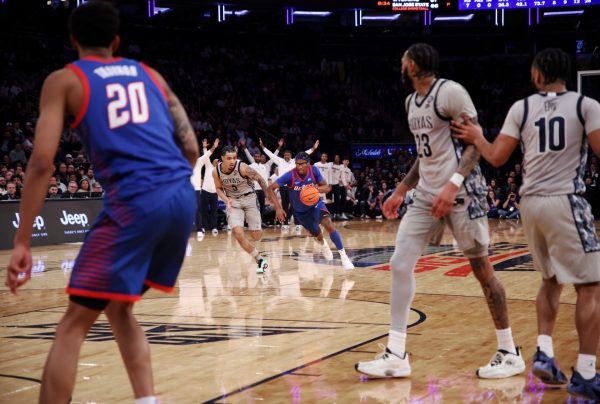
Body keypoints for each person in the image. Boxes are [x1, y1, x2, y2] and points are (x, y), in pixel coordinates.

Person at [4, 3, 199, 403]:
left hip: (136, 201)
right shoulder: (151, 75)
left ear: (73, 39)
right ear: (116, 42)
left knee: (72, 324)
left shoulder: (65, 80)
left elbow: (41, 162)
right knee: (118, 309)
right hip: (181, 196)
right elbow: (191, 147)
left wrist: (22, 242)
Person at [355, 43, 524, 379]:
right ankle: (396, 354)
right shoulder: (410, 102)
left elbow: (475, 143)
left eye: (403, 60)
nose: (400, 65)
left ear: (413, 65)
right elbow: (425, 154)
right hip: (426, 196)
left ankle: (509, 352)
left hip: (463, 194)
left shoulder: (450, 93)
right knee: (400, 262)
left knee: (482, 272)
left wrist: (453, 183)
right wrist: (401, 190)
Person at [452, 48, 600, 401]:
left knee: (550, 280)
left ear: (537, 75)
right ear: (567, 74)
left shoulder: (522, 107)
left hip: (529, 204)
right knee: (590, 287)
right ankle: (586, 372)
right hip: (566, 200)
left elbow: (497, 157)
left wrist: (476, 137)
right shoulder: (586, 106)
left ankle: (545, 351)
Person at [269, 152, 354, 269]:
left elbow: (326, 187)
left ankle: (344, 257)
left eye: (302, 164)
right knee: (317, 234)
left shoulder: (313, 170)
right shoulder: (290, 175)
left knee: (329, 224)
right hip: (301, 213)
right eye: (297, 164)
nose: (299, 167)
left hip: (316, 205)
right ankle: (324, 244)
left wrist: (315, 189)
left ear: (308, 164)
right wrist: (278, 207)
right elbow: (270, 188)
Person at [213, 146, 285, 274]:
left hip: (250, 199)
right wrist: (226, 199)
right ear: (222, 158)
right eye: (228, 158)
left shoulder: (243, 167)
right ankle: (259, 259)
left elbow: (260, 179)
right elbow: (218, 188)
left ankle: (256, 226)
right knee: (238, 234)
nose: (232, 161)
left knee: (256, 236)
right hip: (233, 202)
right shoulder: (216, 171)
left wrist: (267, 194)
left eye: (234, 158)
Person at [261, 137, 318, 233]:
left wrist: (313, 148)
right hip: (283, 187)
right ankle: (285, 224)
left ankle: (298, 224)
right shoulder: (279, 161)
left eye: (288, 155)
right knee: (284, 205)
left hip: (294, 186)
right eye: (285, 155)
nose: (286, 156)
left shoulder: (295, 161)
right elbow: (270, 154)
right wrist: (262, 147)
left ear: (291, 156)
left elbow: (305, 153)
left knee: (296, 205)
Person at [240, 137, 274, 225]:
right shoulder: (251, 166)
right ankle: (253, 222)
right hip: (254, 190)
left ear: (260, 158)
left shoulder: (263, 167)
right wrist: (244, 147)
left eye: (259, 156)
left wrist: (267, 190)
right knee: (254, 207)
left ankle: (261, 222)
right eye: (256, 156)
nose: (257, 157)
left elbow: (265, 180)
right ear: (254, 157)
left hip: (262, 190)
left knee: (262, 207)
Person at [191, 138, 219, 239]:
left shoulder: (199, 162)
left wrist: (213, 147)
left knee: (200, 209)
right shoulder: (208, 166)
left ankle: (201, 229)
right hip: (188, 190)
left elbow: (207, 155)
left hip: (198, 190)